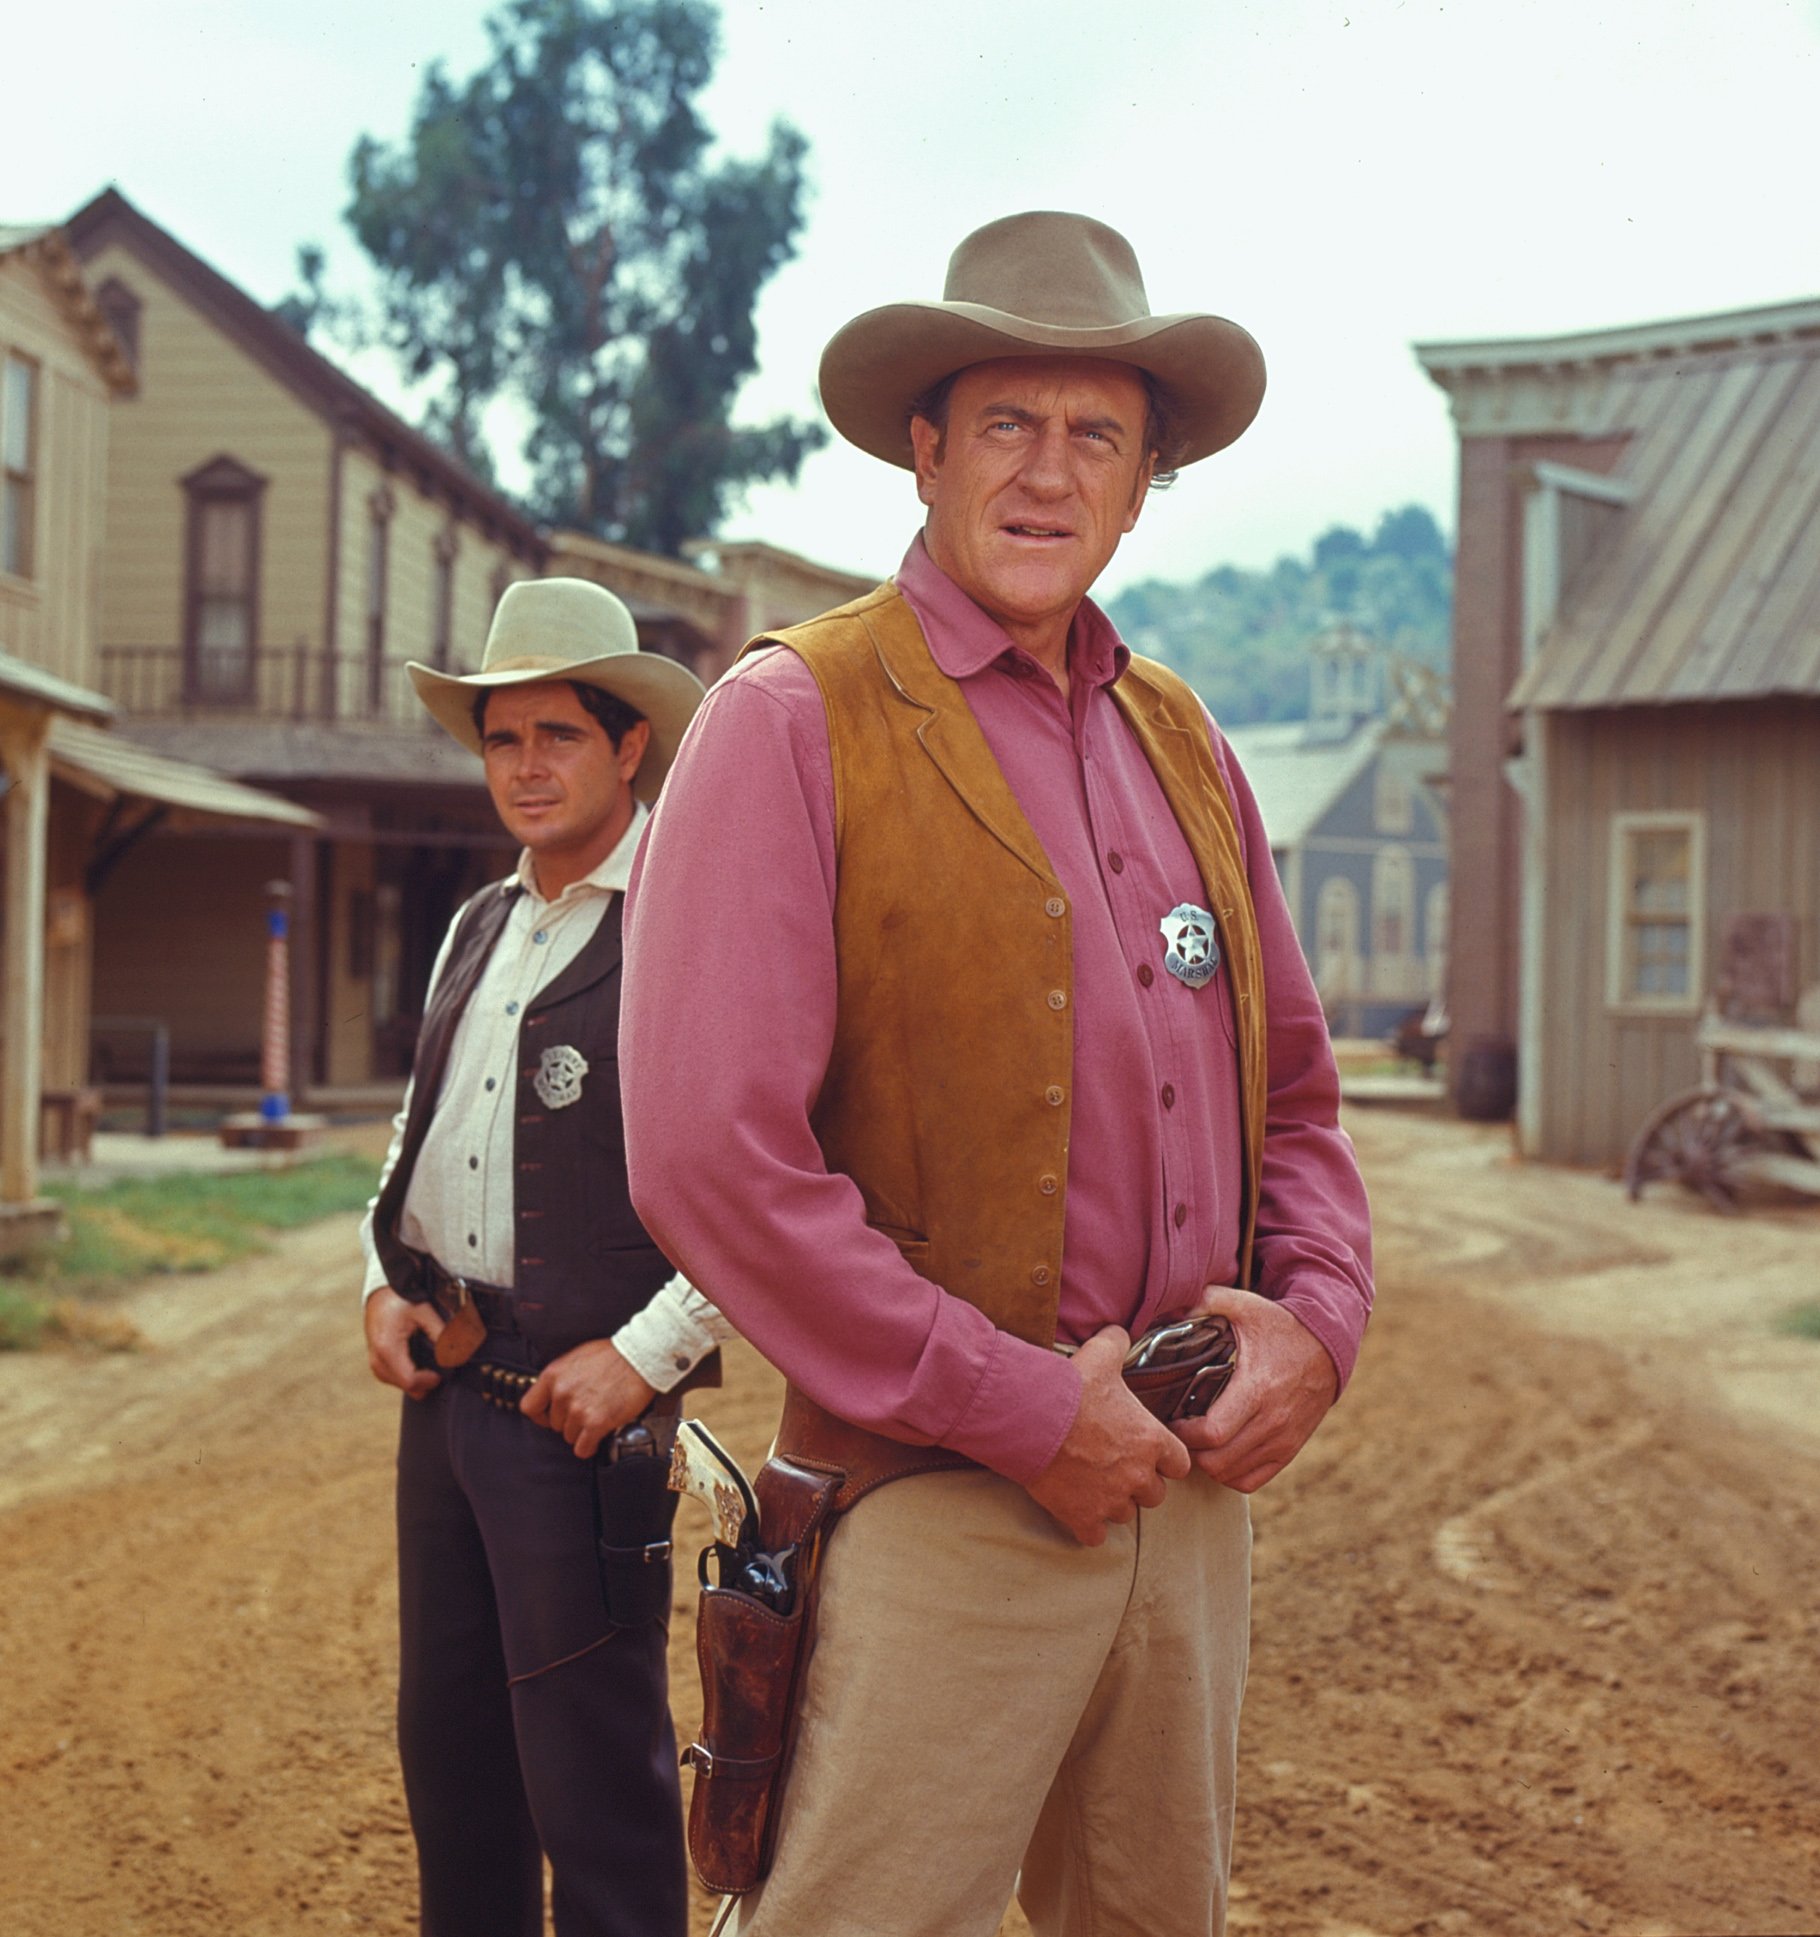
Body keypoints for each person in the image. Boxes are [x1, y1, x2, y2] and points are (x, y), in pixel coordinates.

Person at [619, 212, 1375, 1936]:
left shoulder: (1185, 738)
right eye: (1008, 427)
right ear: (927, 446)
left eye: (1096, 434)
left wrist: (1317, 1321)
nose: (1049, 475)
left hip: (1183, 1508)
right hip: (939, 1501)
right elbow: (707, 1159)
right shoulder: (789, 717)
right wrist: (1026, 1407)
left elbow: (1300, 1102)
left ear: (1144, 479)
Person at [358, 578, 734, 1937]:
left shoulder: (684, 928)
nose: (525, 767)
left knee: (597, 1789)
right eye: (503, 738)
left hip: (584, 1423)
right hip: (446, 1402)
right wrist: (379, 1283)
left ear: (626, 744)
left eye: (556, 736)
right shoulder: (476, 925)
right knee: (451, 1770)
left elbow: (775, 1183)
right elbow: (415, 1138)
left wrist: (644, 1358)